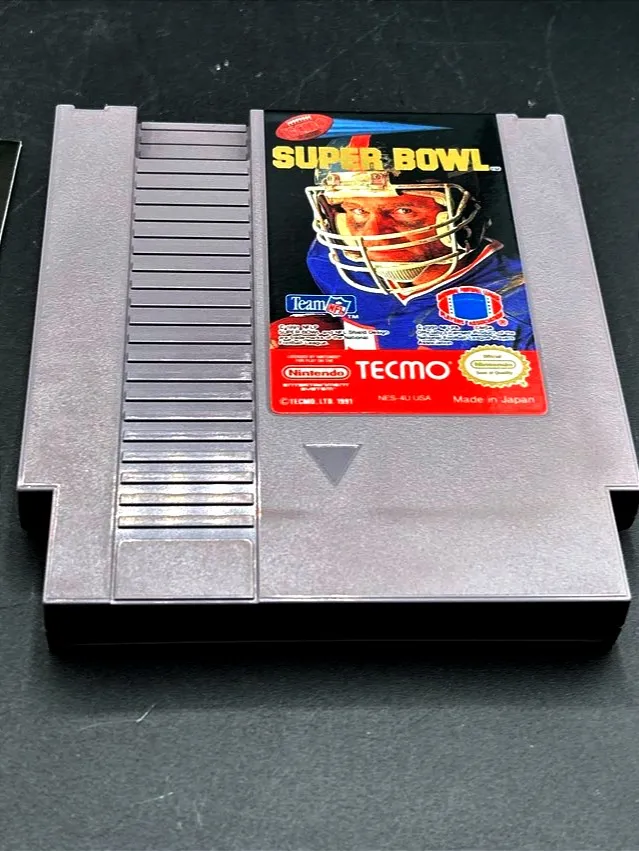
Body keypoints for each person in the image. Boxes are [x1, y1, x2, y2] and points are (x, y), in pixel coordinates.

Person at [301, 155, 534, 351]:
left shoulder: (524, 305)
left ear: (462, 216)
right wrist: (320, 328)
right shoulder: (330, 260)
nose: (373, 235)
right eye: (358, 210)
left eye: (404, 211)